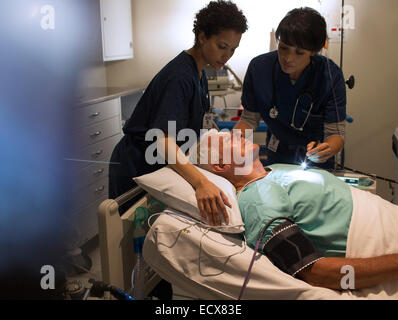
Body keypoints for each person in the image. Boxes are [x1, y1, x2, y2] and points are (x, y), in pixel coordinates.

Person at [190, 130, 398, 290]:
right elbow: (314, 273)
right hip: (380, 240)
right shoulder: (259, 201)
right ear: (220, 164)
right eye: (228, 140)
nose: (239, 134)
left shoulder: (276, 168)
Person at [109, 0, 248, 225]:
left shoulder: (200, 71)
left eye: (233, 49)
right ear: (202, 36)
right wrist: (201, 183)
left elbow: (193, 118)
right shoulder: (179, 77)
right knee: (129, 238)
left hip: (154, 162)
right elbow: (162, 140)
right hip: (136, 163)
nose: (227, 56)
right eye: (222, 46)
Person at [234, 7, 346, 169]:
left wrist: (327, 149)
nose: (288, 58)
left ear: (314, 52)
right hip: (278, 153)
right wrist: (233, 141)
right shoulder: (259, 68)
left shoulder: (330, 76)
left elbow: (336, 134)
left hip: (316, 159)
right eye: (283, 48)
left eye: (299, 53)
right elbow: (249, 120)